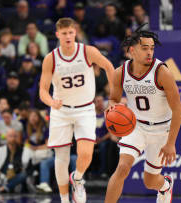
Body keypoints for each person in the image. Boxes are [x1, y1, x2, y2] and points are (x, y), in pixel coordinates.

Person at [39, 17, 114, 203]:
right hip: (61, 111)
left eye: (71, 33)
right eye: (64, 33)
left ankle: (78, 178)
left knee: (86, 153)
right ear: (57, 34)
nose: (68, 36)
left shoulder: (88, 51)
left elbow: (109, 67)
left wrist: (113, 98)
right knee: (61, 158)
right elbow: (42, 90)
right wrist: (51, 101)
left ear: (76, 33)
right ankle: (64, 200)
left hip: (85, 109)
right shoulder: (51, 59)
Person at [104, 25, 181, 203]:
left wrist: (171, 143)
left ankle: (165, 185)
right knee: (122, 168)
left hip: (161, 129)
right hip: (135, 126)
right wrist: (112, 108)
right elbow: (114, 99)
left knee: (150, 181)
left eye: (152, 48)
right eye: (145, 48)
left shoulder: (162, 72)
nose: (150, 52)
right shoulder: (120, 73)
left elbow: (177, 109)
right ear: (132, 50)